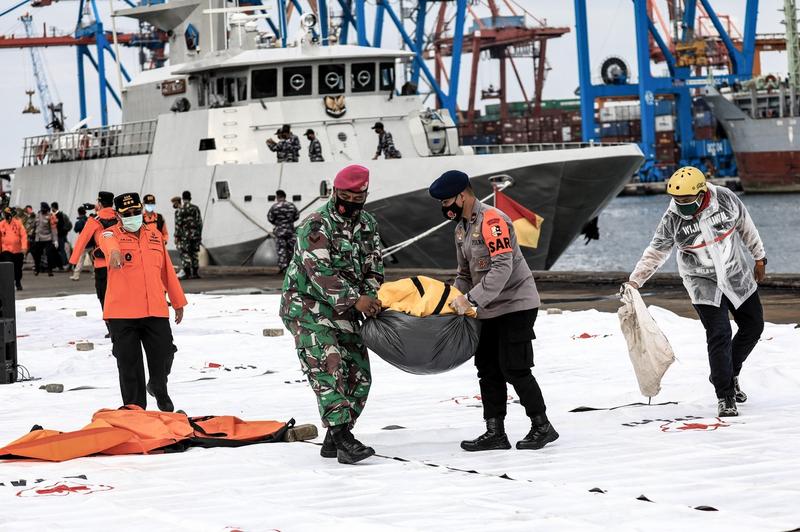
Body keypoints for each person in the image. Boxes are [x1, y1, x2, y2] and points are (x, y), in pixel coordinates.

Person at [429, 170, 558, 452]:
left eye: (446, 200)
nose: (443, 207)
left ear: (462, 195)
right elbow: (464, 272)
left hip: (515, 304)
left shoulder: (493, 221)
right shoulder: (461, 229)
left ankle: (542, 426)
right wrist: (453, 297)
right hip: (486, 308)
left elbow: (502, 267)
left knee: (515, 368)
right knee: (487, 370)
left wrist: (471, 300)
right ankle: (495, 431)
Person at [625, 166, 767, 417]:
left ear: (701, 193)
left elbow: (746, 226)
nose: (681, 204)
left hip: (736, 275)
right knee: (719, 333)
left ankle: (728, 372)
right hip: (702, 282)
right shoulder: (672, 218)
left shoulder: (725, 199)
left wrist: (759, 257)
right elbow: (656, 252)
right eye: (677, 200)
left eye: (687, 200)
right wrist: (636, 281)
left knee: (754, 325)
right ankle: (725, 395)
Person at [280, 164, 383, 465]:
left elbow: (375, 267)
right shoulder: (316, 225)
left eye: (358, 196)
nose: (351, 201)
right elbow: (319, 272)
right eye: (346, 195)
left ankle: (333, 438)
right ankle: (342, 437)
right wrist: (356, 299)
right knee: (328, 365)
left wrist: (371, 296)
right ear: (335, 191)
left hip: (347, 309)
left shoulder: (367, 225)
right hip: (307, 306)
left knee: (359, 375)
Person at [99, 192, 187, 412]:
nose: (133, 216)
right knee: (129, 366)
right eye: (127, 214)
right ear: (118, 216)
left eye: (136, 212)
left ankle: (158, 385)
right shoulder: (111, 234)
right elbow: (107, 242)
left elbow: (167, 271)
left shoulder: (155, 235)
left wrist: (177, 302)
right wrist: (115, 253)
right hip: (122, 313)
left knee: (166, 352)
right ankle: (135, 409)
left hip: (155, 309)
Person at [69, 192, 118, 318]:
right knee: (119, 295)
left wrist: (73, 260)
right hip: (119, 263)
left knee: (103, 295)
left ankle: (110, 324)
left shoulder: (94, 220)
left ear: (100, 203)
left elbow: (82, 240)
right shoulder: (119, 217)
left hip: (102, 264)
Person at [268, 190, 300, 272]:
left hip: (280, 232)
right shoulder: (291, 206)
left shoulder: (275, 207)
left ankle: (283, 267)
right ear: (285, 196)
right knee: (292, 249)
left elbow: (270, 218)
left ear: (277, 197)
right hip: (290, 231)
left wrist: (278, 223)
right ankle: (294, 266)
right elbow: (296, 216)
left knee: (281, 249)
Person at [174, 190, 203, 279]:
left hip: (184, 236)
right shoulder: (195, 208)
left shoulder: (180, 210)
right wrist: (199, 234)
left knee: (185, 253)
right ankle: (195, 273)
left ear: (183, 199)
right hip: (195, 235)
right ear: (190, 198)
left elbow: (178, 224)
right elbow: (199, 223)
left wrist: (176, 236)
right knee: (194, 253)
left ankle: (187, 273)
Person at [0, 207, 29, 290]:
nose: (7, 217)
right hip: (6, 250)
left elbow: (23, 235)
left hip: (18, 250)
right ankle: (8, 283)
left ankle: (18, 282)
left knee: (18, 268)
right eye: (6, 215)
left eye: (9, 215)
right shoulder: (1, 224)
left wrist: (24, 247)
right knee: (8, 267)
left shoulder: (18, 223)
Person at [31, 202, 59, 277]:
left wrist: (55, 240)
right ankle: (37, 269)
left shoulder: (51, 216)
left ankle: (50, 270)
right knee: (37, 255)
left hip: (48, 238)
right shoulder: (37, 215)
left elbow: (53, 229)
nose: (43, 210)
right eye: (42, 209)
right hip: (38, 238)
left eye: (44, 209)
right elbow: (33, 226)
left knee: (49, 254)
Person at [70, 206, 92, 281]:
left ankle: (76, 275)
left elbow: (76, 230)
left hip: (84, 243)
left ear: (78, 212)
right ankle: (96, 274)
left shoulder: (80, 221)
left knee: (80, 260)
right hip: (91, 242)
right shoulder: (89, 219)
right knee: (94, 260)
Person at [51, 201, 72, 270]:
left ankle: (64, 264)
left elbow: (62, 225)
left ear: (53, 208)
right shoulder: (63, 215)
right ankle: (61, 264)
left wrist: (63, 232)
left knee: (61, 249)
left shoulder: (60, 215)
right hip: (61, 235)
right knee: (60, 249)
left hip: (59, 235)